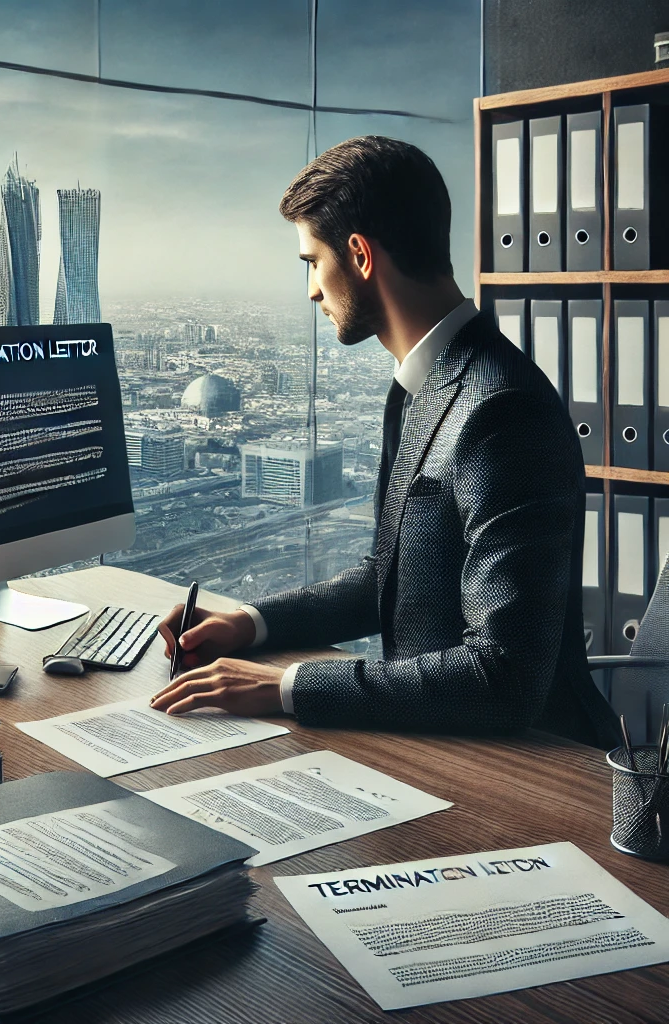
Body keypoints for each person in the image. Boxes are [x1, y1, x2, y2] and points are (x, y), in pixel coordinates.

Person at [150, 135, 617, 748]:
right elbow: (389, 577)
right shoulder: (420, 385)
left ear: (361, 256)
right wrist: (252, 625)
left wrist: (287, 687)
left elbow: (502, 677)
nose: (312, 291)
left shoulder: (503, 412)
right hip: (438, 745)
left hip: (532, 770)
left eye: (313, 263)